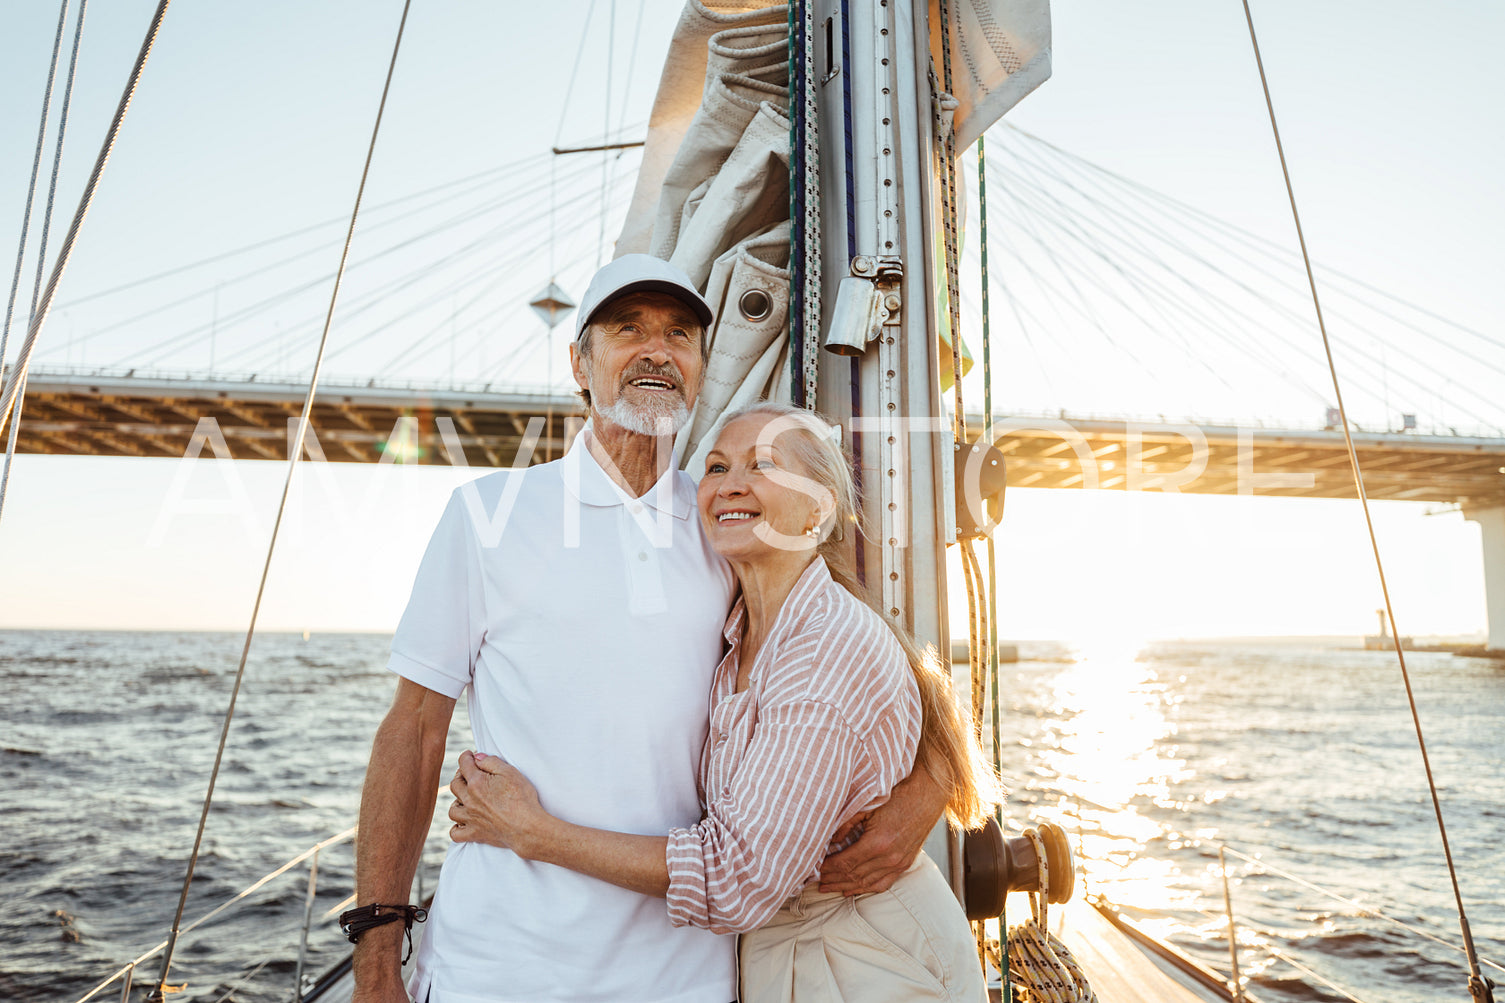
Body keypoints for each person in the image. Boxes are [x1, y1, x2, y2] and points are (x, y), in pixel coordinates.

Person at [350, 255, 948, 1003]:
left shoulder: (723, 517)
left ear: (698, 369)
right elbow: (412, 729)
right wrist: (375, 959)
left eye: (679, 335)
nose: (657, 350)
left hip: (685, 973)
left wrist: (935, 781)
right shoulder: (486, 515)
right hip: (497, 966)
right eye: (627, 328)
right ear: (580, 362)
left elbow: (858, 642)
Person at [449, 401, 1001, 1002]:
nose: (730, 484)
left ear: (820, 507)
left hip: (862, 952)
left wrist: (532, 833)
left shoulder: (821, 654)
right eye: (715, 467)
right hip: (782, 947)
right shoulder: (741, 630)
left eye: (763, 465)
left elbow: (739, 879)